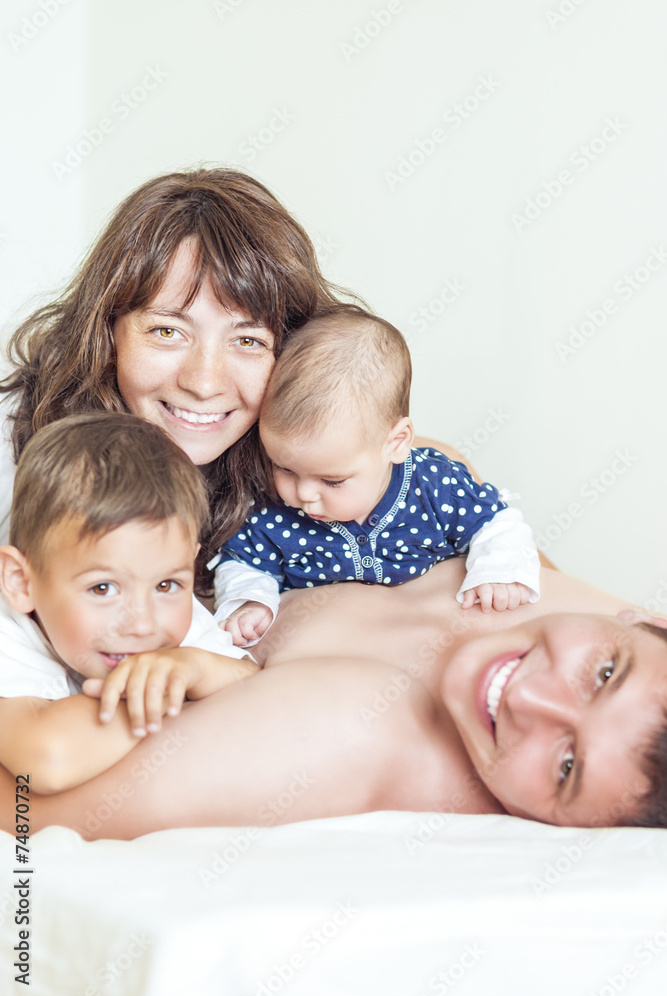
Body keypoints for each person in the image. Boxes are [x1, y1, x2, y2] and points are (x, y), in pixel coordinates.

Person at [3, 559, 666, 837]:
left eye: (566, 767)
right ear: (641, 620)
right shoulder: (520, 569)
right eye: (604, 674)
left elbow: (28, 807)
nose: (530, 700)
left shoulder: (360, 729)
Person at [0, 167, 357, 591]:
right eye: (167, 331)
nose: (203, 384)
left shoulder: (336, 467)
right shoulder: (14, 463)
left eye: (248, 341)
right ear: (106, 333)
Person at [211, 306, 541, 647]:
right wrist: (249, 602)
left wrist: (498, 572)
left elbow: (494, 523)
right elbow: (246, 563)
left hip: (432, 637)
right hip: (337, 647)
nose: (304, 493)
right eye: (285, 468)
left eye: (332, 480)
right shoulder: (271, 511)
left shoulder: (434, 484)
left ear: (395, 443)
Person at [0, 413, 257, 794]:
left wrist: (195, 668)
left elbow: (254, 685)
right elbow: (47, 761)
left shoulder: (167, 612)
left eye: (167, 583)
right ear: (21, 582)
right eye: (103, 589)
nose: (142, 623)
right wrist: (159, 693)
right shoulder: (8, 635)